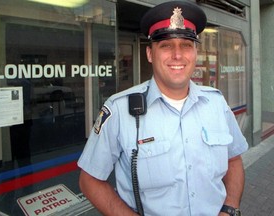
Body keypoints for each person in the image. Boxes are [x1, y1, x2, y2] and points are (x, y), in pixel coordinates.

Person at [77, 1, 248, 216]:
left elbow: (233, 160)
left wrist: (230, 209)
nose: (177, 55)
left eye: (186, 45)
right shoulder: (119, 109)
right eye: (166, 45)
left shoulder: (216, 103)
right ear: (150, 54)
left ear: (195, 52)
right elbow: (89, 179)